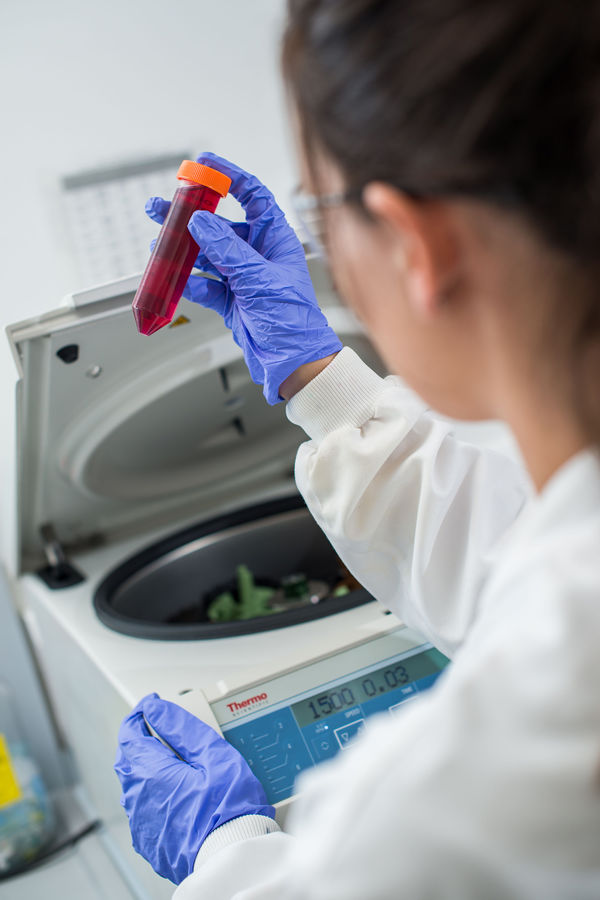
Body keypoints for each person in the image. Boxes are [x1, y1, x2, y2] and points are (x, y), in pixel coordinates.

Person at [114, 0, 600, 896]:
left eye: (323, 211)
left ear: (417, 245)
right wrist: (318, 379)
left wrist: (227, 852)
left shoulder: (520, 736)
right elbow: (512, 547)